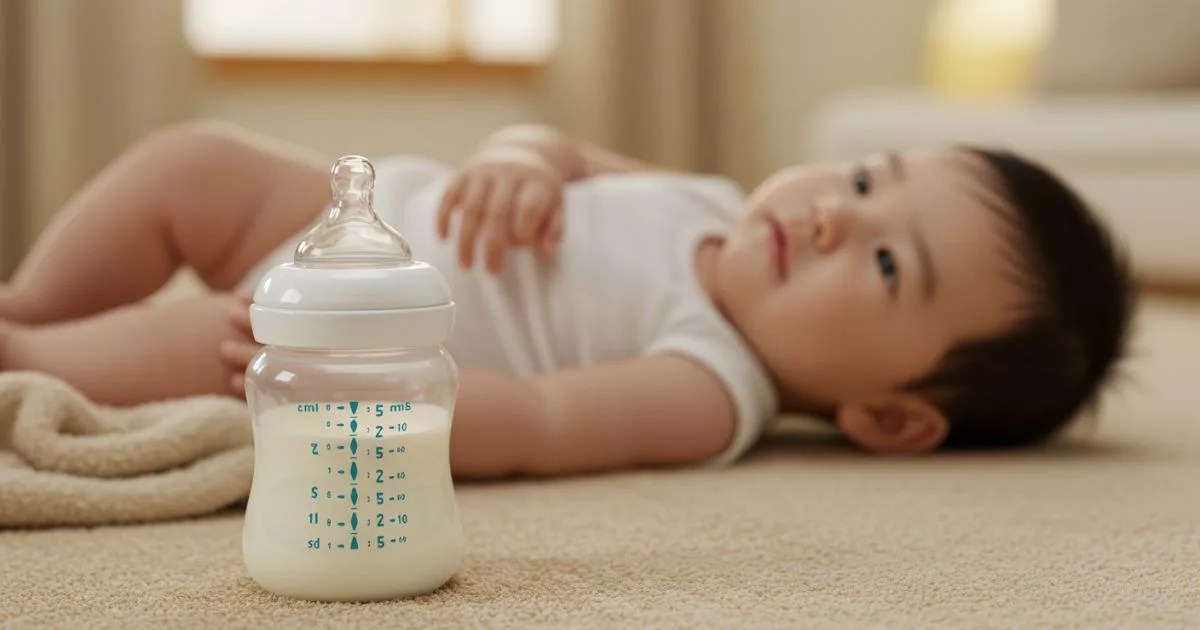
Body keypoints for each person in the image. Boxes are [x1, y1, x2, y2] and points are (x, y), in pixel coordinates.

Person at [0, 120, 1135, 478]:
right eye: (864, 179)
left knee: (177, 344)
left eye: (889, 267)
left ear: (890, 415)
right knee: (194, 163)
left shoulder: (711, 385)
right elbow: (565, 154)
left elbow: (540, 428)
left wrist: (355, 384)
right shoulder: (712, 199)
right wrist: (525, 157)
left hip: (332, 323)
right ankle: (31, 298)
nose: (836, 213)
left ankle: (26, 346)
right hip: (342, 206)